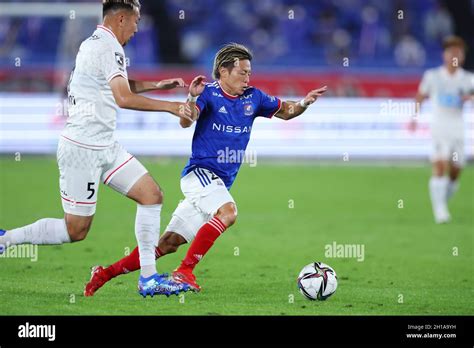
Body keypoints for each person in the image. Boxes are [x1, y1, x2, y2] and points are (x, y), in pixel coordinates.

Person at [84, 42, 327, 296]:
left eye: (249, 73)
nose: (247, 78)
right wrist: (190, 97)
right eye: (242, 72)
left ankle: (104, 273)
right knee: (229, 212)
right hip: (199, 175)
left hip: (218, 184)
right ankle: (185, 271)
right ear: (223, 71)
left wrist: (304, 102)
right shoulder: (208, 94)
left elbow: (286, 111)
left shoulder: (254, 98)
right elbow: (185, 121)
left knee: (167, 244)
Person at [0, 0, 195, 297]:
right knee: (76, 230)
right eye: (136, 21)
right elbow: (123, 98)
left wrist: (157, 85)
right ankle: (7, 239)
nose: (137, 28)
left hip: (104, 144)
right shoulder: (108, 47)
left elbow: (115, 86)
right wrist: (172, 107)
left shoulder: (96, 43)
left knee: (151, 195)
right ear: (120, 19)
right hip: (82, 148)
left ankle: (148, 278)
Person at [410, 36, 473, 223]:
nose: (454, 55)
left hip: (458, 127)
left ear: (462, 56)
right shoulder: (432, 76)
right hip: (439, 126)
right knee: (439, 165)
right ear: (444, 55)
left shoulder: (468, 79)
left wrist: (469, 99)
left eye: (458, 52)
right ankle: (440, 211)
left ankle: (441, 201)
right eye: (450, 51)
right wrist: (414, 116)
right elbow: (420, 96)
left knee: (455, 171)